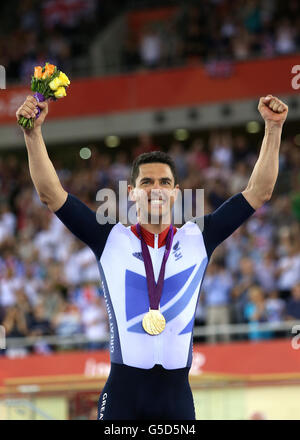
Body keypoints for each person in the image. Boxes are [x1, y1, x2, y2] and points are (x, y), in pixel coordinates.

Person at [16, 93, 288, 420]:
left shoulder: (199, 238)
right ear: (131, 192)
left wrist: (273, 129)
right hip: (123, 396)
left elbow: (259, 192)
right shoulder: (109, 238)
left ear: (175, 192)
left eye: (164, 182)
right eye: (146, 182)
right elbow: (50, 194)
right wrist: (32, 135)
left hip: (176, 398)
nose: (155, 189)